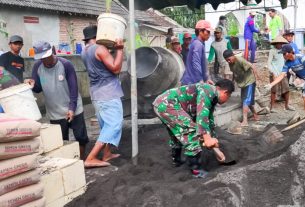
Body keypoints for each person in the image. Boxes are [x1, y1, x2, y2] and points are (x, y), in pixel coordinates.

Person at [153, 79, 235, 176]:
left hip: (162, 103)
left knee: (178, 134)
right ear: (225, 92)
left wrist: (217, 150)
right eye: (228, 96)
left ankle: (177, 161)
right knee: (191, 132)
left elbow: (208, 121)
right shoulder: (209, 91)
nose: (227, 99)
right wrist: (207, 138)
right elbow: (202, 115)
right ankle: (196, 170)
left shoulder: (211, 97)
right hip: (168, 103)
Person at [24, 41, 89, 160]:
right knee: (62, 141)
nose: (44, 60)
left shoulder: (66, 64)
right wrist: (31, 85)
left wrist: (72, 108)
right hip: (55, 112)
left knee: (81, 137)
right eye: (41, 58)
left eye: (46, 56)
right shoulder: (37, 66)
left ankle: (82, 161)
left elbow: (73, 89)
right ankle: (69, 163)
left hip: (73, 108)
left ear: (53, 51)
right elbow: (38, 89)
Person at [81, 25, 124, 167]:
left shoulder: (84, 51)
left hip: (96, 93)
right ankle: (91, 158)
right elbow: (116, 68)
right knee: (113, 125)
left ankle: (106, 154)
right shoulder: (99, 48)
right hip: (108, 93)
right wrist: (119, 50)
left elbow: (100, 64)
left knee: (106, 125)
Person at [223, 49, 259, 126]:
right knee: (246, 100)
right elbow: (234, 72)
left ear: (232, 56)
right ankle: (255, 115)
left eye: (229, 59)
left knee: (246, 100)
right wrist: (232, 82)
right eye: (227, 61)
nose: (228, 61)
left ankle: (245, 121)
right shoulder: (230, 63)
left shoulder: (240, 60)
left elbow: (252, 66)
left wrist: (257, 79)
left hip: (249, 81)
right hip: (243, 83)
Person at [265, 44, 305, 110]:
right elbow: (281, 75)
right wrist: (271, 84)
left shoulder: (301, 58)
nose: (283, 56)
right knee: (304, 97)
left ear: (290, 52)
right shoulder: (287, 63)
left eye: (284, 54)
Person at [181, 20, 214, 85]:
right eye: (207, 31)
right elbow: (196, 62)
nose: (209, 34)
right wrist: (200, 80)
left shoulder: (197, 43)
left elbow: (202, 64)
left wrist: (206, 79)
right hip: (191, 83)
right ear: (200, 31)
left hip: (192, 82)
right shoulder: (198, 44)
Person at [267, 36, 295, 112]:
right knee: (273, 90)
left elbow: (286, 61)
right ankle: (272, 107)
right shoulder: (272, 51)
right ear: (275, 44)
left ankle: (287, 105)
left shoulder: (284, 51)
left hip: (283, 73)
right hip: (274, 73)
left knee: (287, 89)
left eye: (281, 43)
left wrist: (288, 70)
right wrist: (273, 72)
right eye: (278, 43)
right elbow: (269, 63)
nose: (279, 45)